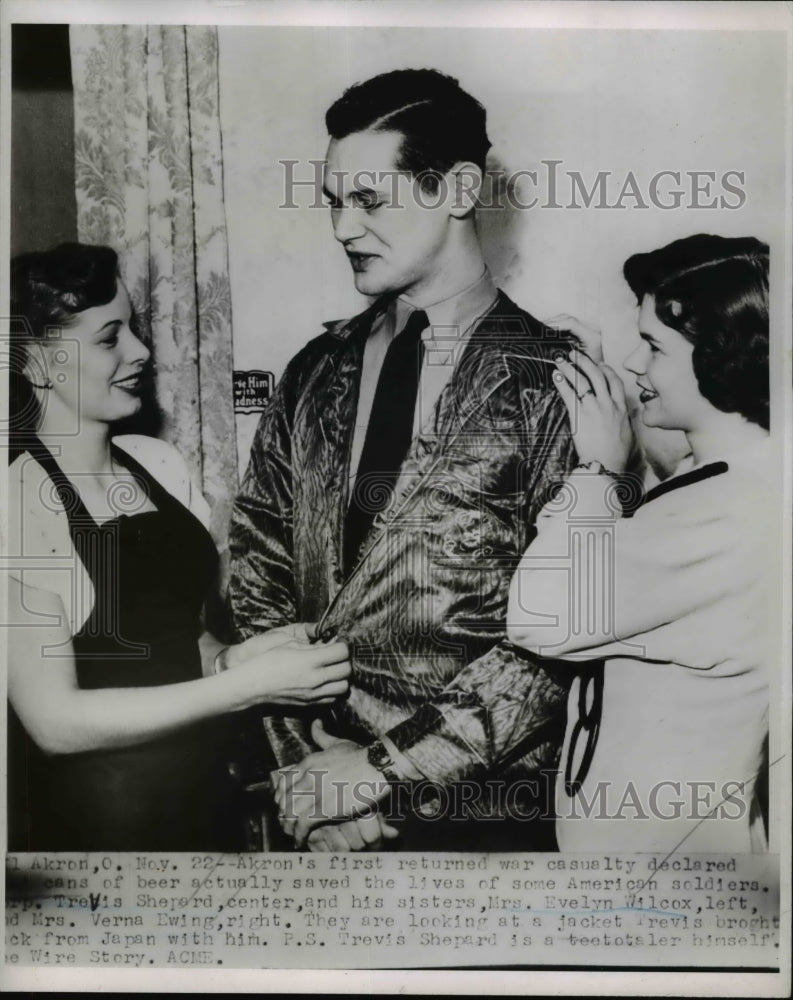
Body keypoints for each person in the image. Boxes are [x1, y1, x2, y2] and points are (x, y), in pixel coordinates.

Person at [228, 68, 576, 851]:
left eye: (369, 201)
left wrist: (381, 775)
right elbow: (256, 572)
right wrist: (308, 778)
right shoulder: (315, 369)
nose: (342, 228)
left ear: (456, 190)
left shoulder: (555, 382)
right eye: (333, 202)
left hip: (480, 822)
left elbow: (561, 635)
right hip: (309, 810)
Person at [5, 243, 351, 851]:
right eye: (108, 338)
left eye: (133, 328)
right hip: (103, 834)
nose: (140, 351)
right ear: (34, 363)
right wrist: (247, 688)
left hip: (202, 807)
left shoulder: (156, 464)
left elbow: (166, 640)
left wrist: (230, 660)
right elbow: (54, 723)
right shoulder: (15, 502)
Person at [505, 233, 773, 852]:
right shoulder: (735, 479)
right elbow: (666, 489)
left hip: (666, 881)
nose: (634, 365)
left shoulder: (726, 514)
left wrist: (596, 469)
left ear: (720, 354)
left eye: (653, 347)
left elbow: (538, 617)